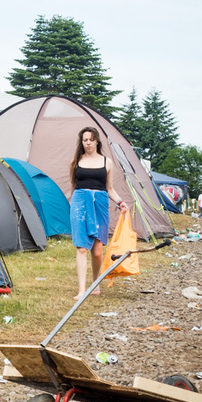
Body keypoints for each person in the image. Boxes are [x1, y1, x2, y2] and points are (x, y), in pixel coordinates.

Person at [69, 126, 128, 301]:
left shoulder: (106, 162)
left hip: (100, 204)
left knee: (96, 250)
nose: (87, 143)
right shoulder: (75, 161)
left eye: (90, 139)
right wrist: (72, 205)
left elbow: (109, 188)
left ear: (97, 141)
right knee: (81, 248)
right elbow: (73, 187)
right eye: (84, 140)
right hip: (80, 203)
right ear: (82, 142)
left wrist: (120, 202)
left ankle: (95, 283)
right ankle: (81, 290)